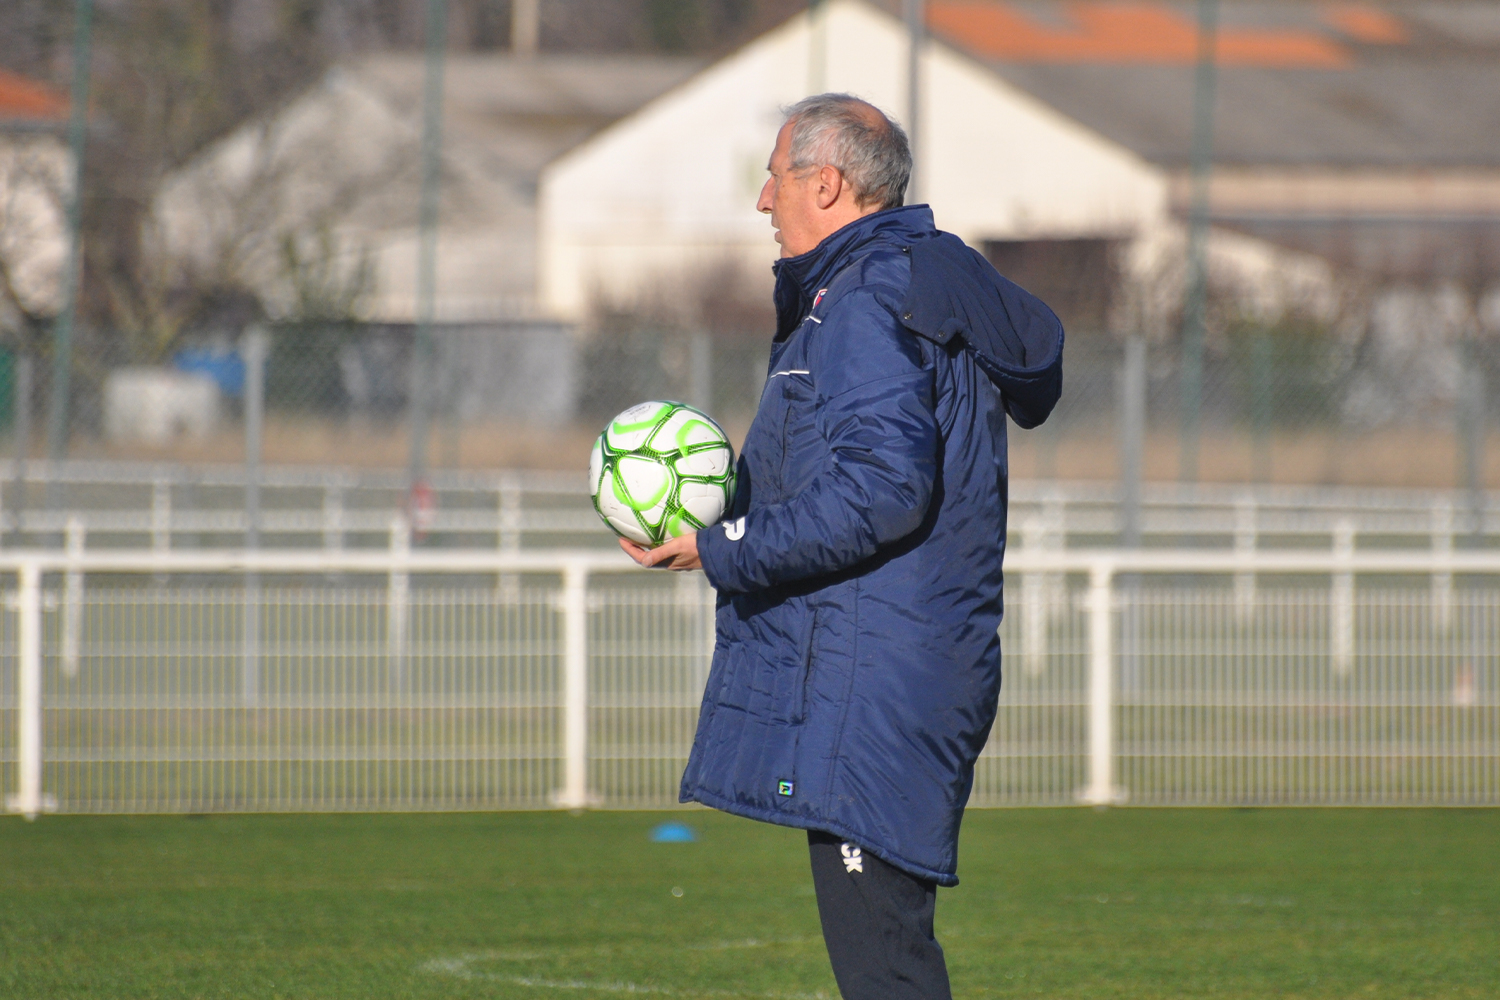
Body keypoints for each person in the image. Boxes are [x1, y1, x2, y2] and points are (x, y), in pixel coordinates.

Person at [620, 93, 1064, 1000]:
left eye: (775, 176)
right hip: (898, 669)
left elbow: (883, 489)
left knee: (886, 969)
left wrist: (722, 546)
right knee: (886, 962)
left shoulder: (866, 300)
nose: (760, 201)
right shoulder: (898, 284)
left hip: (878, 682)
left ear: (825, 184)